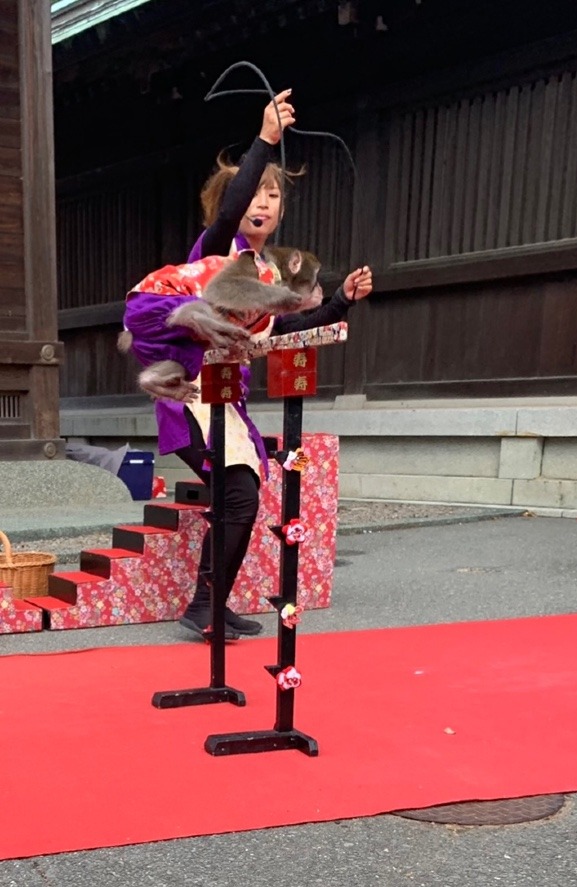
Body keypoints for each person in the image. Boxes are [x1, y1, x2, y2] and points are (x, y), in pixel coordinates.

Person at [125, 90, 373, 640]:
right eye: (252, 193)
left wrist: (341, 303)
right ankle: (204, 603)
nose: (261, 203)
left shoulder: (266, 272)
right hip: (191, 392)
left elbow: (280, 328)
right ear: (230, 206)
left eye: (271, 196)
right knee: (237, 493)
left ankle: (208, 603)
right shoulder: (215, 253)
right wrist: (265, 141)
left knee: (240, 495)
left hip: (224, 402)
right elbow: (232, 211)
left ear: (282, 209)